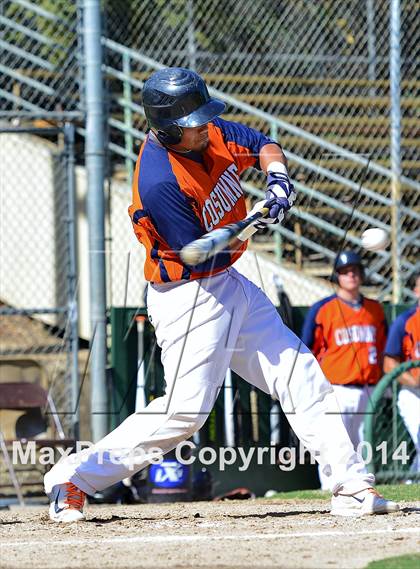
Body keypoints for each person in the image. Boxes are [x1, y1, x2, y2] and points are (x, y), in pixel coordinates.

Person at [44, 67, 398, 521]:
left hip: (228, 283)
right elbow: (199, 257)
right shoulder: (160, 181)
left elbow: (263, 144)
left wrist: (277, 180)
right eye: (193, 124)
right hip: (187, 297)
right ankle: (72, 478)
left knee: (298, 370)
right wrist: (251, 221)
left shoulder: (206, 129)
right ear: (168, 129)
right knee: (185, 414)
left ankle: (349, 485)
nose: (204, 128)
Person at [301, 252, 387, 489]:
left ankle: (361, 487)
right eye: (346, 271)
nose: (351, 275)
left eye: (356, 270)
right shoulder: (323, 309)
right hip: (335, 388)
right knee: (334, 441)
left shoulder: (375, 310)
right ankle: (330, 487)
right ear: (337, 276)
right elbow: (308, 350)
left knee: (363, 443)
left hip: (368, 388)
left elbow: (382, 348)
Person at [383, 275, 420, 474]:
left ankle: (411, 483)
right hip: (414, 394)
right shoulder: (405, 321)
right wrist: (413, 379)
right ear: (416, 291)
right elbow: (389, 364)